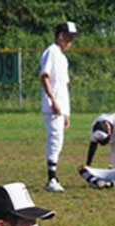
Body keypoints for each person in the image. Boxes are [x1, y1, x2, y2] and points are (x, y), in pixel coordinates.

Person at [41, 21, 78, 193]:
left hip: (60, 107)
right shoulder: (51, 52)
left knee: (58, 140)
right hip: (53, 106)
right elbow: (45, 76)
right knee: (55, 140)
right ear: (61, 36)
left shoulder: (61, 57)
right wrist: (53, 101)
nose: (71, 42)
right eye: (69, 38)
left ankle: (53, 177)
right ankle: (51, 179)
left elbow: (63, 86)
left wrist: (66, 113)